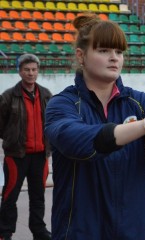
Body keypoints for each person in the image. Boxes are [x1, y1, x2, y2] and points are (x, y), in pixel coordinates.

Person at [44, 13, 145, 240]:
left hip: (135, 229)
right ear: (81, 56)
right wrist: (144, 125)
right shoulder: (62, 104)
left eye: (118, 51)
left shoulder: (140, 102)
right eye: (104, 51)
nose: (114, 58)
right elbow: (76, 141)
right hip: (80, 230)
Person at [0, 54, 52, 240]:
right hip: (16, 155)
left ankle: (39, 231)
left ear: (38, 71)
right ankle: (5, 232)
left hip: (41, 156)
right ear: (20, 71)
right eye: (26, 70)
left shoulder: (46, 95)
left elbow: (51, 122)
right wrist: (12, 139)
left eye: (34, 69)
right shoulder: (7, 96)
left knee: (38, 196)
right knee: (10, 195)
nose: (31, 73)